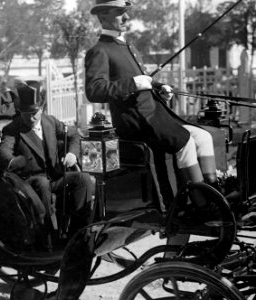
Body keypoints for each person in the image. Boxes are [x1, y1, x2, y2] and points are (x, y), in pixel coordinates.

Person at [84, 0, 219, 210]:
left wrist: (160, 86)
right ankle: (201, 204)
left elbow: (143, 81)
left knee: (204, 137)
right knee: (184, 141)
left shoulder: (128, 47)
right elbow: (94, 90)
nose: (126, 18)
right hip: (135, 121)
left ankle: (214, 192)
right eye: (119, 13)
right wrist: (134, 83)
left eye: (126, 12)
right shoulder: (100, 50)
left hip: (155, 115)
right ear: (102, 17)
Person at [0, 82, 94, 236]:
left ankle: (79, 233)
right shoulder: (13, 129)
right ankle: (49, 236)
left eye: (35, 111)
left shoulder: (51, 122)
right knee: (42, 183)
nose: (32, 116)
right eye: (26, 112)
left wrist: (72, 154)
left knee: (83, 179)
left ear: (42, 109)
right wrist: (15, 161)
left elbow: (74, 134)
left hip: (55, 178)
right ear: (20, 111)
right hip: (31, 183)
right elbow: (3, 150)